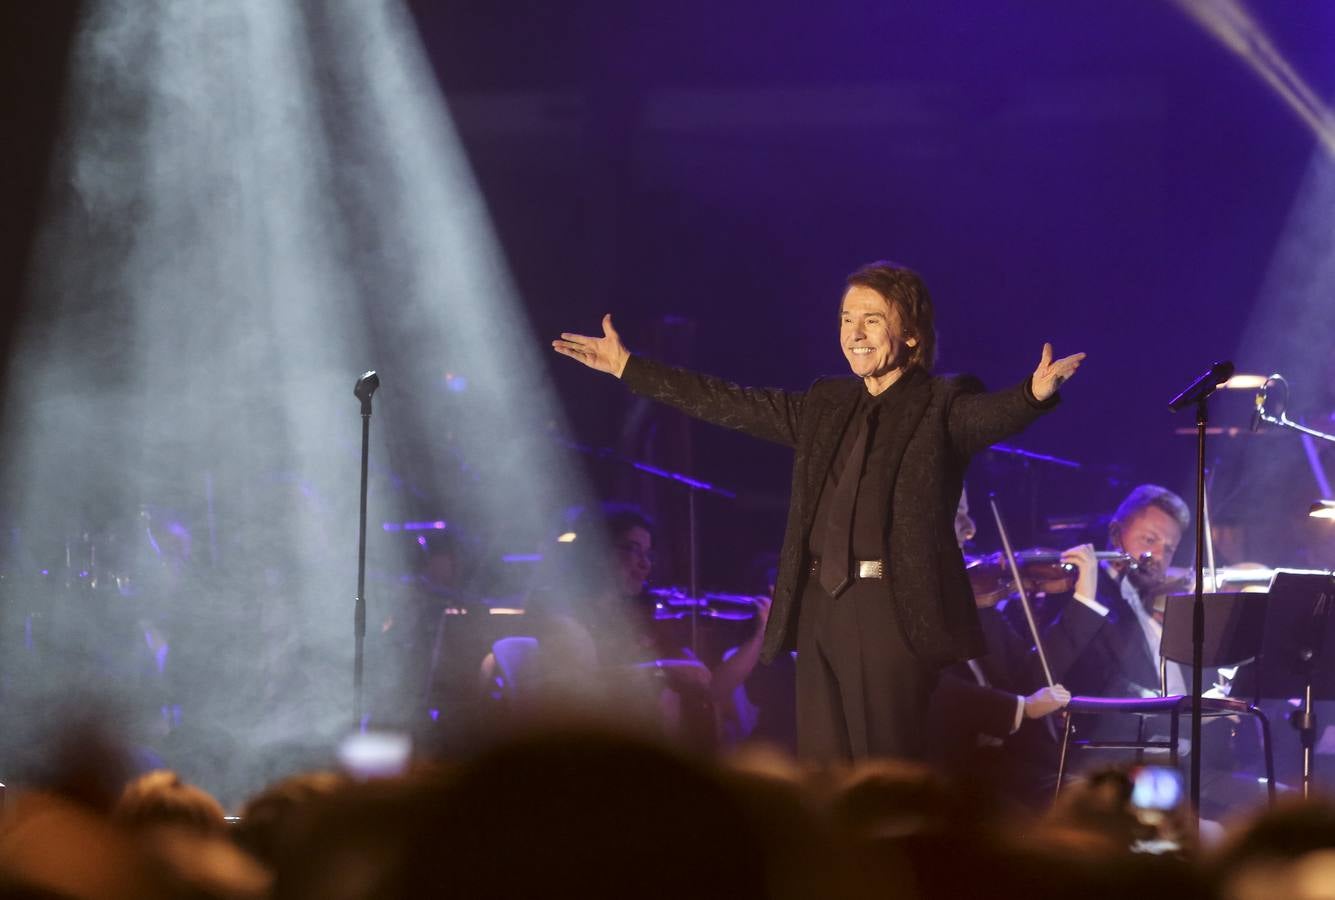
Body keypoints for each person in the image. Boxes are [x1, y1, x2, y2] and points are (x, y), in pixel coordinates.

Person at [553, 261, 1084, 762]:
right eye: (847, 319)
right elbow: (728, 401)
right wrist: (629, 368)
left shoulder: (940, 404)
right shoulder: (827, 404)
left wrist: (1032, 396)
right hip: (821, 608)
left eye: (872, 320)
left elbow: (986, 417)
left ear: (913, 334)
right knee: (825, 768)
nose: (855, 332)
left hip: (890, 611)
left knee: (881, 766)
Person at [928, 488, 1070, 808]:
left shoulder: (976, 598)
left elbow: (1030, 671)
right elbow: (927, 687)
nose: (970, 528)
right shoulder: (902, 602)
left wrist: (1083, 601)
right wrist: (1020, 708)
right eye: (956, 512)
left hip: (1005, 762)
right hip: (946, 771)